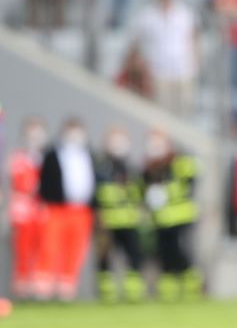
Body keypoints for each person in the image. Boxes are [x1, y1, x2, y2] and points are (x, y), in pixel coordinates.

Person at [36, 118, 96, 301]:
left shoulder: (88, 155)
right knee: (50, 246)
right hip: (57, 208)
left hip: (81, 210)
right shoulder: (52, 155)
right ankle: (43, 289)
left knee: (76, 249)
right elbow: (44, 181)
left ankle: (67, 289)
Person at [142, 130, 202, 301]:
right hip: (161, 219)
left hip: (181, 216)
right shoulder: (150, 166)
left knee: (181, 251)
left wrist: (165, 192)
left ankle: (191, 285)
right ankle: (169, 288)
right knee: (164, 253)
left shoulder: (179, 162)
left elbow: (189, 182)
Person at [94, 127, 146, 303]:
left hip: (129, 222)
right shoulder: (101, 169)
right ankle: (106, 293)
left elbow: (139, 194)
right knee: (105, 257)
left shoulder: (132, 169)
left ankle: (133, 292)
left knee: (133, 256)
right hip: (107, 223)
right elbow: (95, 195)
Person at [136, 0, 199, 117]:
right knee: (162, 108)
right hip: (159, 69)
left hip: (182, 68)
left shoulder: (184, 13)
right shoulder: (149, 15)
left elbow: (192, 38)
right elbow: (141, 40)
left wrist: (195, 61)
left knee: (184, 108)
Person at [8, 117, 48, 299]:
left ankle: (38, 289)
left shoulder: (46, 158)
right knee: (23, 251)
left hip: (41, 211)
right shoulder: (18, 157)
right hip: (23, 211)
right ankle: (22, 289)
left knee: (42, 250)